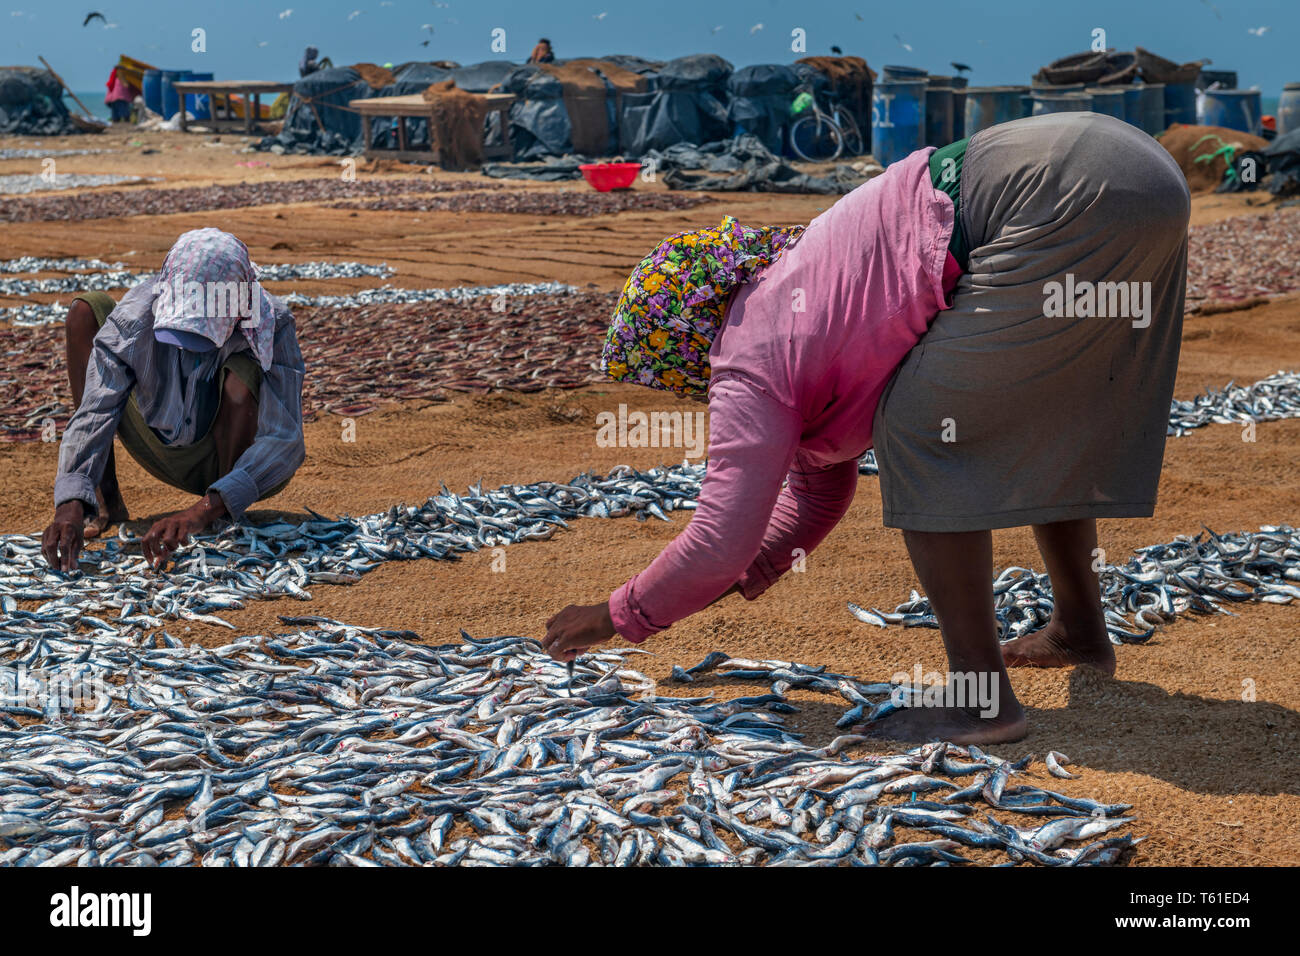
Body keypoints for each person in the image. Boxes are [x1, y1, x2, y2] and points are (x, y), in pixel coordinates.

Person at [542, 112, 1191, 744]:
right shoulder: (797, 295)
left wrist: (614, 614)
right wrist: (745, 569)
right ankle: (1078, 631)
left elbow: (718, 541)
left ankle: (981, 702)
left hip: (1053, 190)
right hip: (1138, 169)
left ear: (682, 340)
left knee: (928, 427)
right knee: (1032, 416)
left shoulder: (747, 354)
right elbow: (812, 499)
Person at [43, 228, 306, 572]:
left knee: (242, 377)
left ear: (239, 301)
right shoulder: (137, 316)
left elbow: (285, 440)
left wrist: (203, 510)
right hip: (157, 437)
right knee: (86, 310)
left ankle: (221, 516)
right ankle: (105, 500)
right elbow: (96, 410)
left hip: (228, 457)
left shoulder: (272, 321)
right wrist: (70, 501)